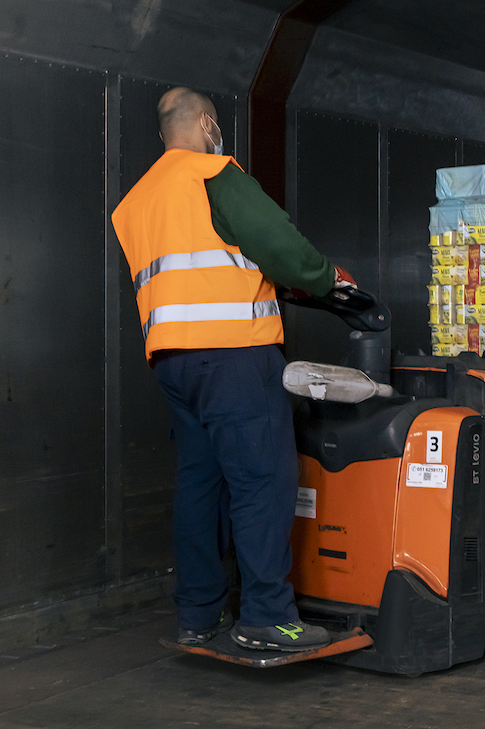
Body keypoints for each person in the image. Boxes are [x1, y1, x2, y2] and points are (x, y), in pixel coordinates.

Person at [112, 87, 351, 652]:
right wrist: (325, 279)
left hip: (173, 363)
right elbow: (280, 246)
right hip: (234, 357)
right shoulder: (214, 174)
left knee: (201, 484)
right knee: (263, 480)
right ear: (204, 122)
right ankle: (268, 617)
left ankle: (198, 614)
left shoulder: (136, 201)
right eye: (215, 124)